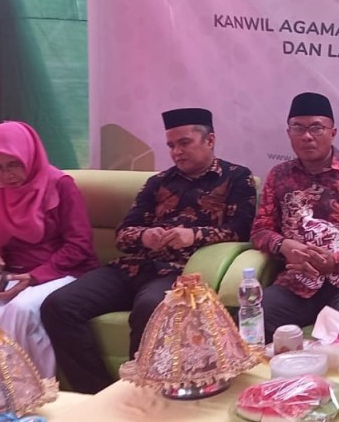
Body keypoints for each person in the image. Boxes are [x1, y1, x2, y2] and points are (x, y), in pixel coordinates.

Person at [40, 108, 256, 393]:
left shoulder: (237, 178)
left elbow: (241, 230)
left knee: (150, 308)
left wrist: (193, 235)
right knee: (58, 306)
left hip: (181, 273)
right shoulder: (158, 182)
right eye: (171, 145)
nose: (176, 152)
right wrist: (145, 236)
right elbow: (123, 234)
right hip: (133, 267)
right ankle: (97, 392)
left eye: (184, 143)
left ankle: (141, 396)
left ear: (210, 140)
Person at [0, 121, 98, 377]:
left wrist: (35, 276)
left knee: (21, 310)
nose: (7, 175)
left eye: (14, 164)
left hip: (60, 272)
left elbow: (79, 243)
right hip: (10, 273)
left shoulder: (60, 185)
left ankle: (26, 392)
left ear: (30, 156)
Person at [251, 92, 339, 341]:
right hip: (298, 280)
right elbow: (260, 230)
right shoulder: (279, 176)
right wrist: (284, 245)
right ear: (288, 133)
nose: (307, 136)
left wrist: (336, 261)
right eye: (298, 128)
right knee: (255, 318)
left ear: (332, 132)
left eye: (316, 128)